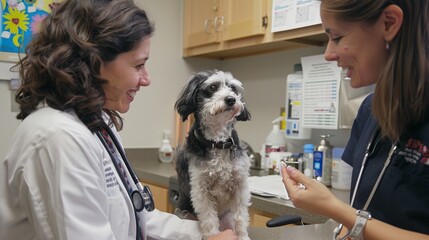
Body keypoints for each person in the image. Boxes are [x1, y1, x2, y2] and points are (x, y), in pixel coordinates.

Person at [0, 0, 238, 239]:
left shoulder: (96, 123)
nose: (146, 79)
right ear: (94, 62)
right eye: (139, 65)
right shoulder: (57, 137)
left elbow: (139, 217)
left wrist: (208, 234)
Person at [281, 0, 429, 239]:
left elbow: (356, 218)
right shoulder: (370, 110)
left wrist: (333, 208)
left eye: (337, 37)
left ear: (389, 23)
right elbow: (361, 215)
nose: (328, 54)